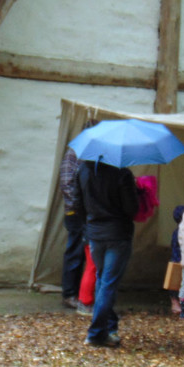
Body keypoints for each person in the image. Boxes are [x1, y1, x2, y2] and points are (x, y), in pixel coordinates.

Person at [75, 159, 139, 348]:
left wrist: (90, 224)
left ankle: (109, 328)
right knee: (107, 283)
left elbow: (77, 204)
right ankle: (95, 334)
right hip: (117, 234)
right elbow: (131, 209)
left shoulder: (83, 170)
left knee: (102, 280)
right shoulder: (122, 173)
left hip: (95, 233)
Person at [59, 143, 86, 310]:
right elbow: (66, 183)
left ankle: (80, 293)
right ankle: (69, 294)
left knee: (84, 255)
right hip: (76, 213)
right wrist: (81, 206)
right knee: (75, 253)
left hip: (88, 213)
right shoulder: (74, 153)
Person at [168, 204, 184, 314]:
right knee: (175, 282)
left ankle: (181, 304)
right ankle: (175, 303)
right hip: (178, 260)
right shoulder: (180, 231)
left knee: (183, 282)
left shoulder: (181, 230)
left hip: (183, 260)